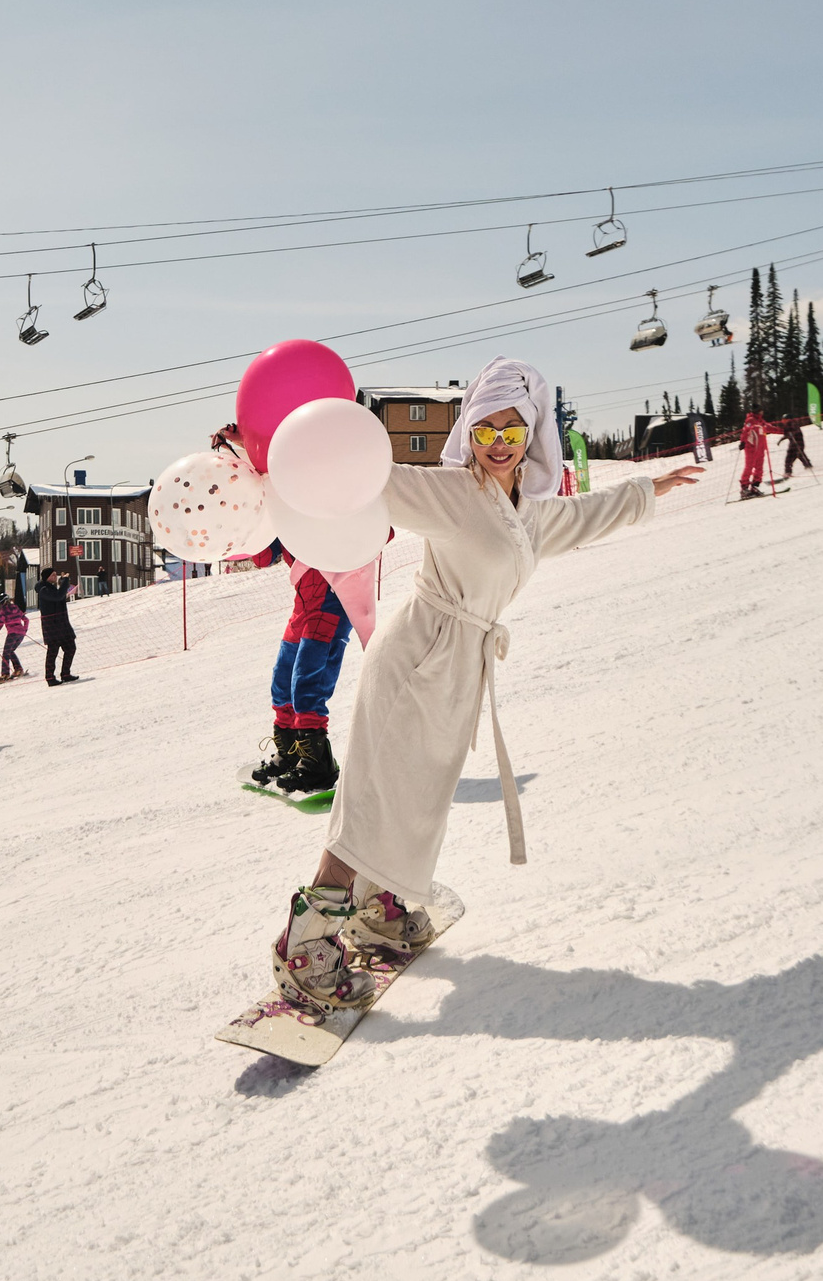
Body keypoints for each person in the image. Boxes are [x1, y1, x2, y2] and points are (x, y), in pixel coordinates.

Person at [266, 357, 703, 1010]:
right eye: (486, 428)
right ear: (468, 432)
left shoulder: (527, 510)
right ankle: (306, 939)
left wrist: (650, 488)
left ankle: (380, 904)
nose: (499, 442)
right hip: (416, 657)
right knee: (372, 798)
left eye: (512, 429)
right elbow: (376, 483)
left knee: (418, 796)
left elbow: (586, 514)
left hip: (455, 670)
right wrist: (301, 465)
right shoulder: (452, 492)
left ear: (532, 434)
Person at [246, 544, 355, 795]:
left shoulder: (329, 507)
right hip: (303, 607)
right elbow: (263, 558)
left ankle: (319, 765)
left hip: (331, 603)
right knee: (282, 682)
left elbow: (378, 532)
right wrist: (252, 531)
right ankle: (291, 754)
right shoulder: (282, 514)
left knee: (307, 682)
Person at [37, 569, 79, 686]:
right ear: (46, 577)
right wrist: (65, 581)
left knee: (70, 647)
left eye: (56, 575)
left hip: (62, 624)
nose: (55, 576)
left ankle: (65, 674)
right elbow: (59, 596)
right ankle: (50, 678)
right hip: (52, 625)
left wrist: (63, 582)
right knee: (53, 652)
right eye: (53, 575)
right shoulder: (43, 589)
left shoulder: (51, 587)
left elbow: (59, 596)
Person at [0, 594, 29, 682]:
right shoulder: (16, 607)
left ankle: (5, 674)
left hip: (12, 634)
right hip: (21, 634)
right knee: (10, 651)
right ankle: (18, 669)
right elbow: (26, 620)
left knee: (6, 653)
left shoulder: (3, 611)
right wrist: (24, 630)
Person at [737, 412, 769, 498]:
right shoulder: (751, 420)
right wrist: (743, 441)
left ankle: (754, 487)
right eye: (760, 410)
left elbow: (769, 428)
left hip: (760, 449)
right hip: (751, 448)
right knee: (749, 467)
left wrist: (783, 431)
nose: (762, 412)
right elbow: (745, 430)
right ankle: (744, 489)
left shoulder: (761, 421)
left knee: (759, 468)